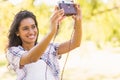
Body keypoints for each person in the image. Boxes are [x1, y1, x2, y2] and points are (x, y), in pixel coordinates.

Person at [6, 4, 82, 80]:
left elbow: (75, 43)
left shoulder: (49, 47)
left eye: (33, 26)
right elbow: (32, 57)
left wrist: (78, 21)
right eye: (25, 28)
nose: (31, 32)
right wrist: (52, 31)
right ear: (17, 32)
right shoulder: (13, 51)